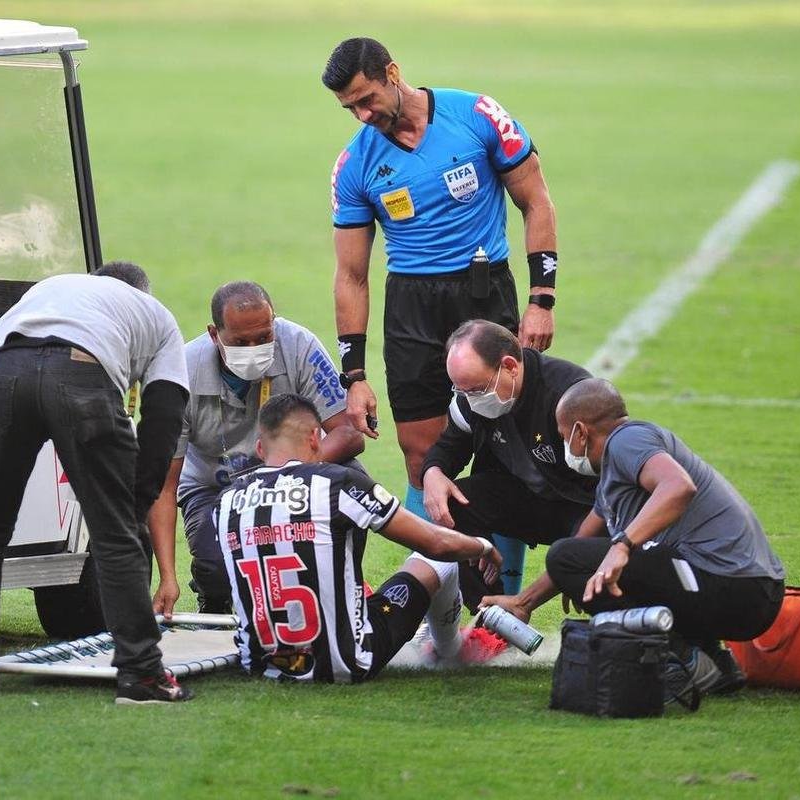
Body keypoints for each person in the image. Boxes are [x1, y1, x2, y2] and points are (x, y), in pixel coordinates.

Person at [323, 37, 561, 589]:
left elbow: (537, 201)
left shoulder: (476, 115)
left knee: (500, 449)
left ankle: (498, 598)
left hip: (483, 296)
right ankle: (446, 603)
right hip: (411, 308)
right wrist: (353, 375)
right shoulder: (355, 163)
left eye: (366, 99)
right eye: (350, 108)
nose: (363, 115)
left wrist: (541, 299)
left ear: (392, 73)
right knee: (421, 455)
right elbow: (351, 275)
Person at [0, 261, 194, 705]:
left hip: (0, 372)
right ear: (142, 294)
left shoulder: (54, 287)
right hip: (82, 371)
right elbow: (163, 418)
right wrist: (133, 506)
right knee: (114, 535)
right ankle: (140, 675)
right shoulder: (155, 315)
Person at [215, 393, 503, 683]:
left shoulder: (225, 501)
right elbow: (436, 544)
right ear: (316, 438)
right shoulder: (335, 482)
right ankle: (449, 652)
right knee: (438, 563)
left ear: (260, 448)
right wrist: (483, 546)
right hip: (348, 662)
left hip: (261, 665)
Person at [540, 378, 786, 692]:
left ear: (580, 431)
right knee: (572, 557)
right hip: (750, 590)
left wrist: (623, 546)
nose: (565, 446)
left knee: (567, 556)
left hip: (734, 587)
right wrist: (523, 602)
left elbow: (679, 486)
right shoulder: (614, 472)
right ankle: (714, 662)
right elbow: (582, 543)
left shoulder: (626, 441)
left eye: (563, 436)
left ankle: (680, 659)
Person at [148, 281, 364, 615]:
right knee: (221, 571)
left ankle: (340, 580)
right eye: (240, 342)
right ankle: (213, 589)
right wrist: (166, 577)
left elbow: (349, 435)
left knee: (352, 482)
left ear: (274, 323)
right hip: (213, 489)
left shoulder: (299, 345)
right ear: (213, 334)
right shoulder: (181, 372)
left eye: (264, 337)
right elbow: (163, 483)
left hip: (293, 476)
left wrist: (285, 474)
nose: (254, 348)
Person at [421, 320, 596, 609]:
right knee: (452, 506)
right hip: (525, 500)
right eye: (461, 391)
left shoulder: (570, 396)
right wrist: (433, 472)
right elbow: (448, 447)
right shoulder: (469, 399)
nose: (470, 400)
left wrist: (580, 555)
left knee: (590, 568)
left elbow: (614, 489)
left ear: (510, 366)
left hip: (585, 508)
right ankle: (489, 617)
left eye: (477, 389)